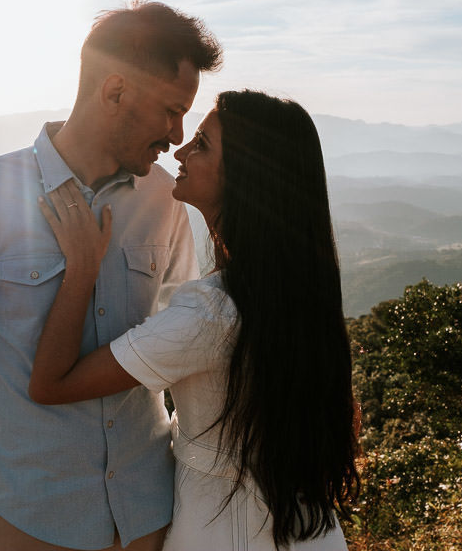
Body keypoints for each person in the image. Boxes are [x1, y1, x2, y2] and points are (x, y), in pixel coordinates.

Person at [0, 1, 223, 551]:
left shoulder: (164, 200)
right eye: (171, 110)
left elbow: (184, 340)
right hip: (35, 517)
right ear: (115, 91)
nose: (177, 136)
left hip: (150, 514)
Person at [30, 90, 360, 549]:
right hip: (311, 531)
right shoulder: (299, 289)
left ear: (246, 178)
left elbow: (51, 384)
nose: (180, 150)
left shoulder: (213, 313)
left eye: (202, 143)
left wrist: (83, 268)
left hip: (224, 533)